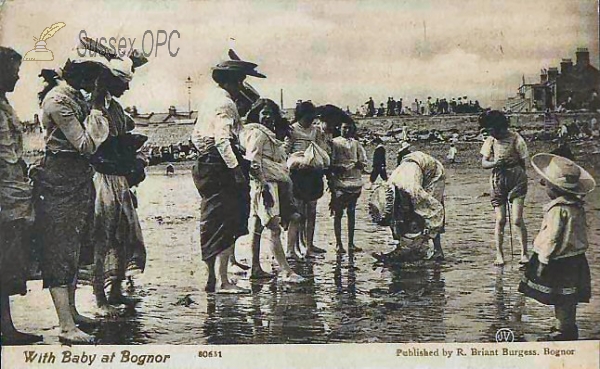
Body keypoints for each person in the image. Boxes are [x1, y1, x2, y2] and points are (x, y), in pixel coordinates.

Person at [36, 55, 111, 343]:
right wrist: (94, 109)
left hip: (77, 178)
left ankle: (73, 313)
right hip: (59, 179)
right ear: (84, 79)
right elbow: (85, 144)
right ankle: (65, 325)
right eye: (94, 81)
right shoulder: (59, 101)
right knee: (60, 246)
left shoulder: (72, 98)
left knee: (77, 246)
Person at [191, 59, 265, 294]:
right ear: (232, 82)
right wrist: (235, 170)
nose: (241, 86)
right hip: (221, 166)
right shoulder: (225, 103)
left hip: (207, 163)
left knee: (212, 219)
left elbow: (197, 137)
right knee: (227, 220)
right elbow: (223, 140)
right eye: (240, 81)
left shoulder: (210, 100)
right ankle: (222, 280)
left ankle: (214, 277)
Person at [89, 55, 148, 316]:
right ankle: (99, 297)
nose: (126, 88)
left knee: (122, 233)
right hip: (102, 178)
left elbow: (123, 133)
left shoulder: (115, 108)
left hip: (118, 178)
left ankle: (115, 290)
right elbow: (97, 145)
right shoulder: (95, 107)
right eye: (122, 83)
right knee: (102, 236)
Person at [519, 154, 596, 341]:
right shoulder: (577, 206)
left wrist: (543, 260)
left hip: (558, 259)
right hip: (576, 259)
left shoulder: (557, 210)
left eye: (547, 185)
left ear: (554, 189)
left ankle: (561, 330)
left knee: (560, 296)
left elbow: (551, 238)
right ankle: (569, 327)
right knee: (570, 297)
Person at [0, 47, 42, 345]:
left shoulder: (5, 105)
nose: (17, 76)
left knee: (9, 262)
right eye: (13, 70)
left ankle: (7, 326)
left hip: (13, 194)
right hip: (5, 197)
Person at [240, 99, 305, 283]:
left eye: (270, 113)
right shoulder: (258, 134)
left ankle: (255, 268)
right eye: (264, 113)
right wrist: (263, 187)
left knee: (257, 226)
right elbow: (253, 162)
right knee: (273, 227)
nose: (267, 117)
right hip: (265, 184)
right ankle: (285, 271)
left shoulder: (266, 134)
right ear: (257, 115)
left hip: (268, 183)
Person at [369, 142, 445, 260]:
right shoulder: (388, 187)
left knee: (422, 211)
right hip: (412, 165)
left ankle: (436, 250)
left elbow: (436, 209)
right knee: (403, 215)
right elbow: (393, 217)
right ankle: (404, 247)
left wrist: (428, 230)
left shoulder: (413, 190)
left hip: (433, 171)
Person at [479, 110, 529, 266]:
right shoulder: (490, 141)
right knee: (500, 219)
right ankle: (499, 255)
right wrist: (495, 164)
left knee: (517, 219)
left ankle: (524, 253)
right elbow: (484, 163)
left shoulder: (516, 139)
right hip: (498, 179)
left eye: (491, 129)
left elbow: (523, 163)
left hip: (516, 178)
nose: (490, 132)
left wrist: (517, 176)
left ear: (499, 127)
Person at [285, 101, 328, 258]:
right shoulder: (292, 130)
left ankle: (308, 245)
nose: (311, 119)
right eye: (308, 116)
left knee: (311, 210)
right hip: (297, 173)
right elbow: (286, 151)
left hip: (313, 173)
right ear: (301, 115)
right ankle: (295, 246)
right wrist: (294, 164)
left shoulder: (315, 131)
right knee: (298, 211)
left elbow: (320, 149)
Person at [329, 119, 367, 254]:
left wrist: (359, 164)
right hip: (340, 181)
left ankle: (351, 243)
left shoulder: (356, 143)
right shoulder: (334, 142)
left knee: (352, 212)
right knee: (338, 213)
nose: (347, 130)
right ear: (340, 127)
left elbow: (363, 160)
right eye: (344, 128)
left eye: (349, 128)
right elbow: (330, 162)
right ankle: (339, 244)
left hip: (354, 180)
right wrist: (338, 168)